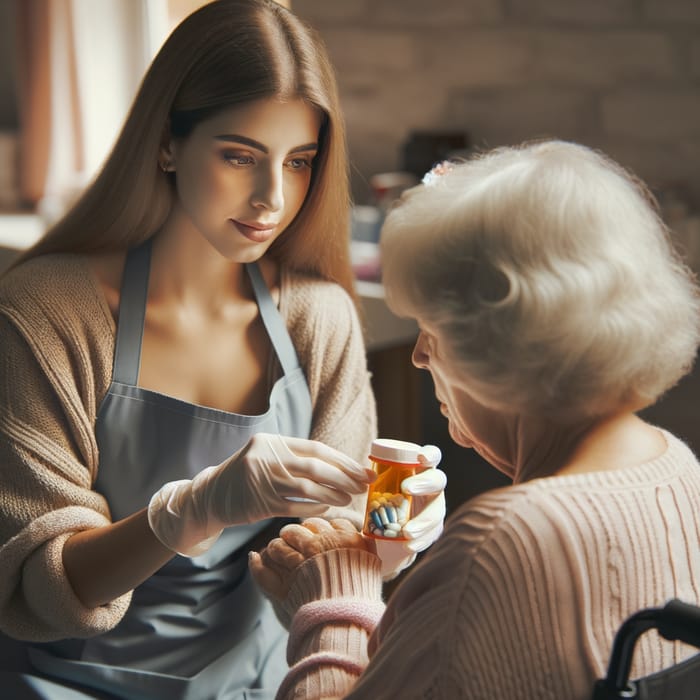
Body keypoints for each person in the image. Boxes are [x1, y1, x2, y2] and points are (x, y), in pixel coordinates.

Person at [0, 1, 446, 698]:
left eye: (299, 162)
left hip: (265, 677)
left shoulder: (317, 316)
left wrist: (382, 537)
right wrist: (189, 512)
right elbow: (38, 588)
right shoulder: (47, 313)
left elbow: (315, 557)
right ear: (168, 143)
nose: (272, 196)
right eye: (240, 155)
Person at [250, 139, 700, 699]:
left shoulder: (499, 538)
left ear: (502, 345)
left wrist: (337, 591)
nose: (418, 355)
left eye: (431, 330)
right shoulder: (679, 467)